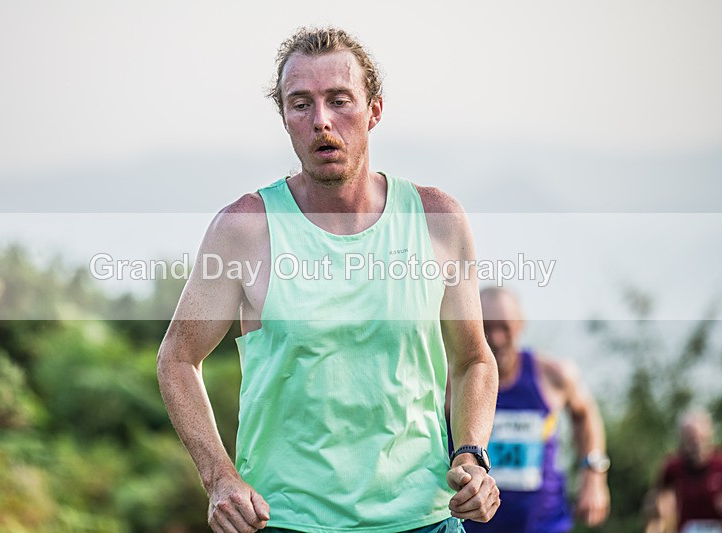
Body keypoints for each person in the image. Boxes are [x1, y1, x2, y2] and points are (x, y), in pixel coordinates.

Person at [156, 27, 500, 533]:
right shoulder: (245, 228)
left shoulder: (436, 218)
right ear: (285, 119)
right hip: (286, 521)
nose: (321, 121)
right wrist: (220, 478)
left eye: (339, 101)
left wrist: (470, 455)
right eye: (301, 104)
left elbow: (473, 359)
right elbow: (177, 358)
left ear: (374, 111)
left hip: (423, 520)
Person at [456, 287, 610, 532]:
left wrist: (594, 475)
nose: (495, 338)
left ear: (520, 325)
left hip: (545, 524)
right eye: (487, 327)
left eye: (503, 327)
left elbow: (585, 414)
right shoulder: (452, 381)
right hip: (471, 526)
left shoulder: (553, 376)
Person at [653, 409, 722, 533]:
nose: (695, 443)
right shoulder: (673, 467)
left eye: (699, 437)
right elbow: (659, 502)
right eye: (689, 438)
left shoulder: (719, 464)